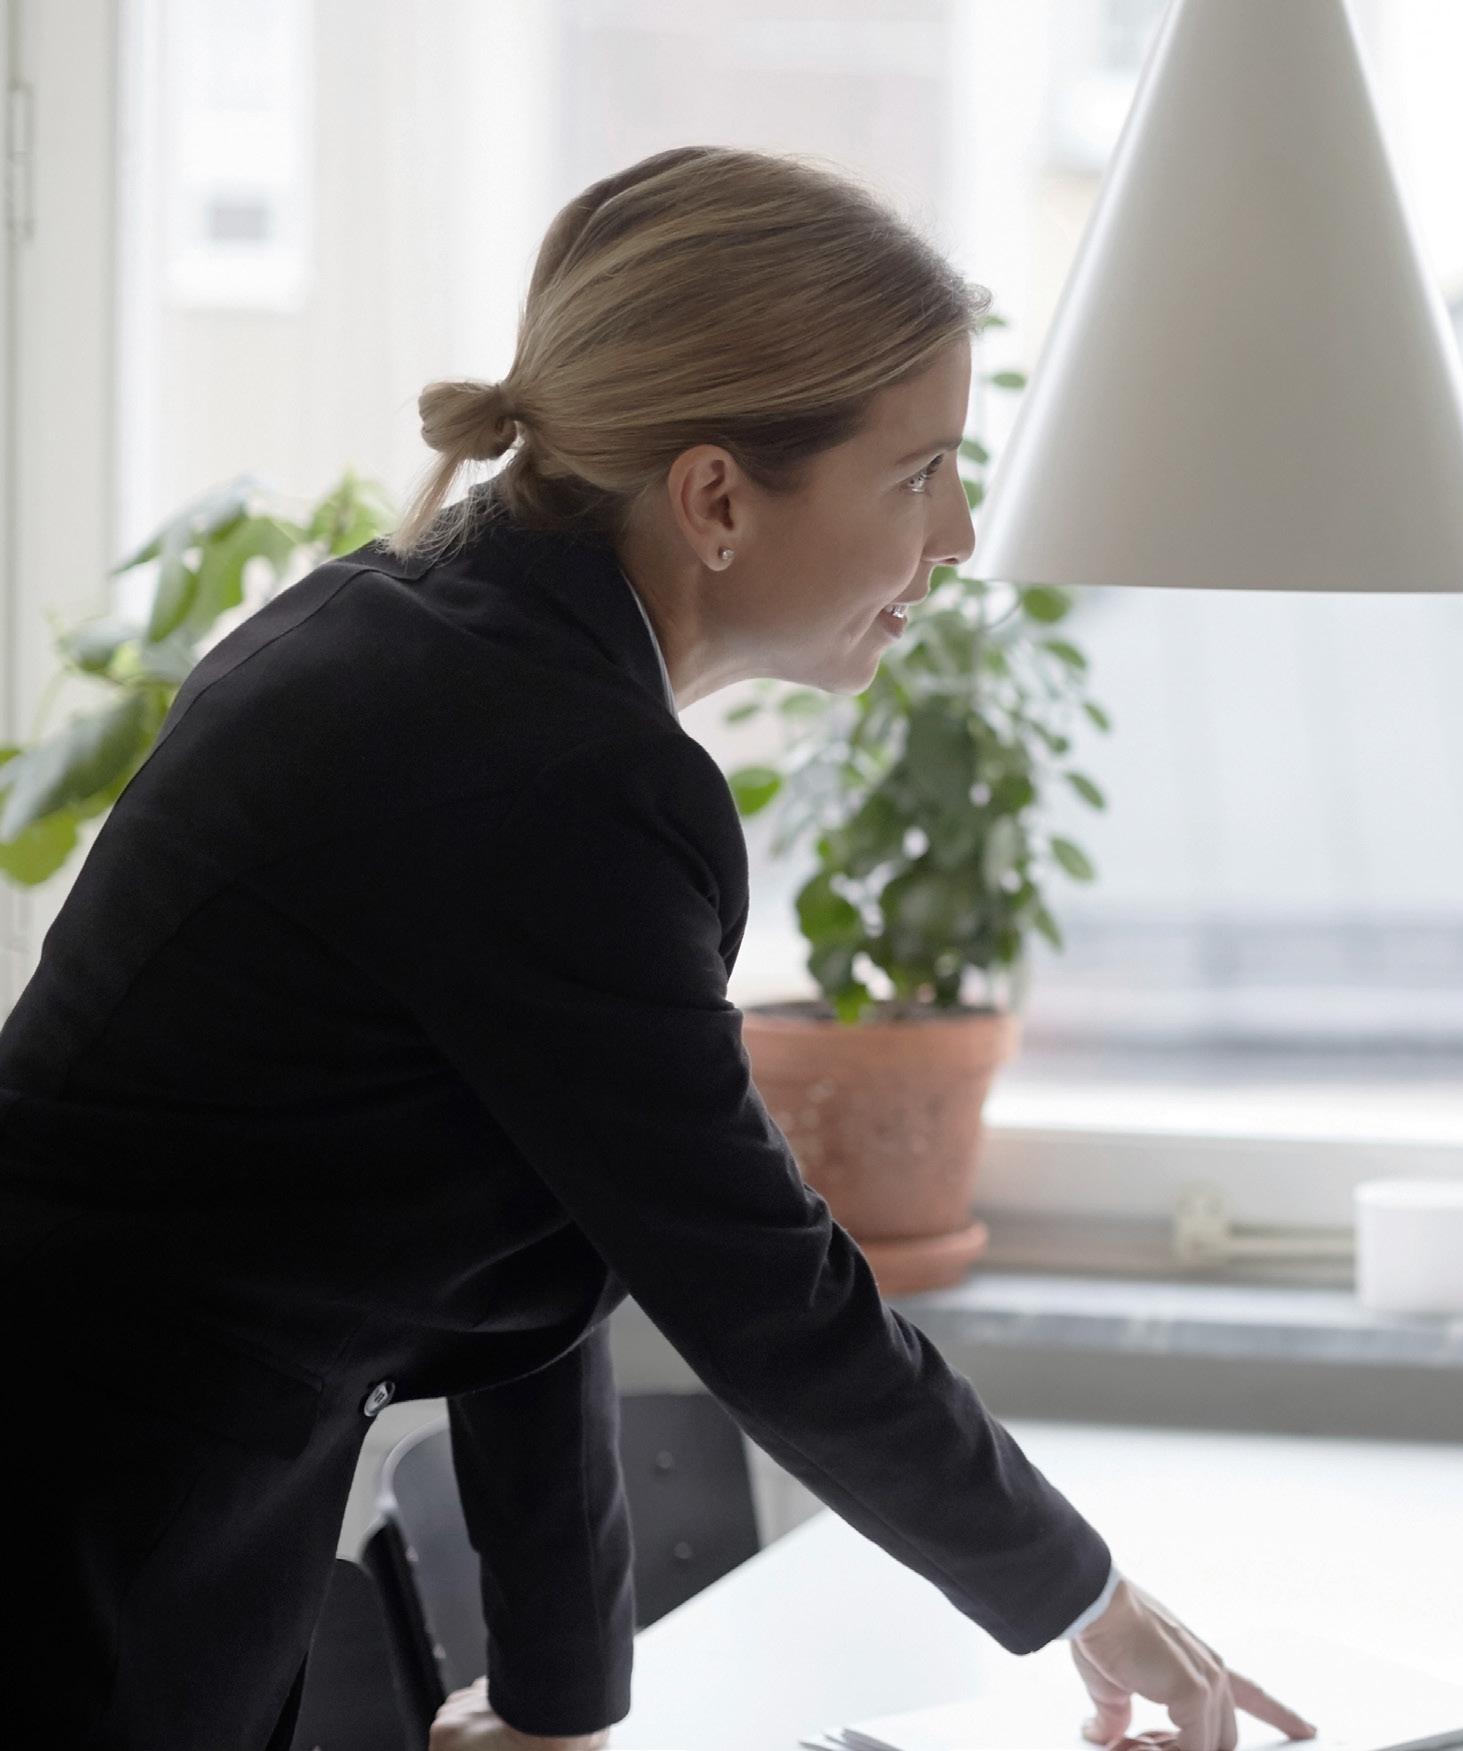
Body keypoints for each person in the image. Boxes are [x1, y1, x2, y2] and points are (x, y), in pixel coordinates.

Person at [0, 148, 1314, 1751]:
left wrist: (558, 1703)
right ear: (715, 500)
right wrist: (1089, 1602)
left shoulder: (444, 649)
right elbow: (766, 1298)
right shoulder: (549, 768)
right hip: (75, 1552)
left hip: (126, 1510)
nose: (961, 533)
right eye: (919, 474)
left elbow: (536, 1216)